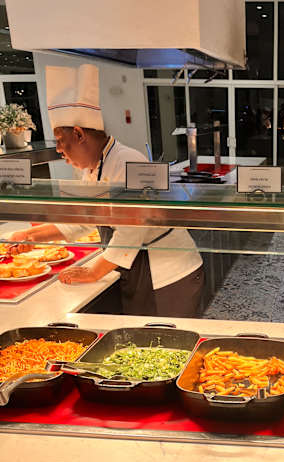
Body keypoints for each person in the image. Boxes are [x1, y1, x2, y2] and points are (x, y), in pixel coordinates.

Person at [10, 64, 204, 317]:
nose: (58, 150)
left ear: (79, 134)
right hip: (138, 267)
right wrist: (30, 236)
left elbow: (131, 232)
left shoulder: (126, 162)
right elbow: (83, 218)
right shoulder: (93, 167)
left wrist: (94, 271)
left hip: (168, 273)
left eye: (60, 141)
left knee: (166, 338)